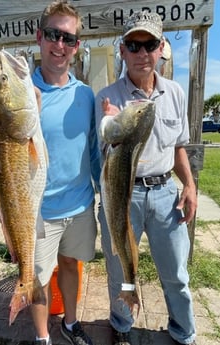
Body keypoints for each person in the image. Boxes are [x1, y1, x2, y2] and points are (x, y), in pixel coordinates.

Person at [95, 11, 197, 345]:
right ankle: (122, 324)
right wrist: (109, 130)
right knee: (119, 268)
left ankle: (184, 333)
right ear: (122, 50)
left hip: (165, 191)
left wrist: (190, 185)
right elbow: (103, 155)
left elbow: (178, 146)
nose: (142, 53)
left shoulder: (175, 93)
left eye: (149, 44)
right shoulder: (107, 98)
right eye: (134, 45)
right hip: (122, 196)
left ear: (161, 47)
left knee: (176, 274)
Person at [19, 1, 100, 345]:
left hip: (80, 206)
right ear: (40, 37)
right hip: (39, 213)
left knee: (70, 266)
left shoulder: (86, 94)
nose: (60, 45)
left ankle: (70, 323)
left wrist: (107, 197)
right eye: (53, 34)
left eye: (69, 38)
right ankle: (42, 338)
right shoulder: (24, 94)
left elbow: (94, 151)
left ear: (77, 46)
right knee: (35, 278)